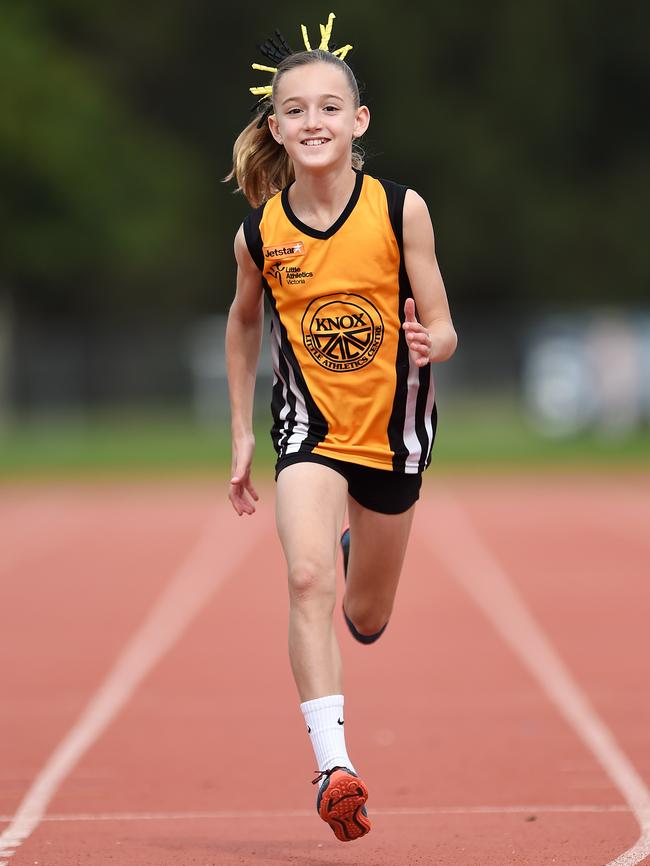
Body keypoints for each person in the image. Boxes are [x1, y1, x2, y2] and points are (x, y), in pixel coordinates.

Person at [225, 12, 457, 843]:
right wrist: (245, 433)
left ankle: (364, 560)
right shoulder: (263, 231)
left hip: (394, 439)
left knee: (364, 615)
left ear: (358, 122)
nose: (313, 122)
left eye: (330, 107)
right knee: (304, 581)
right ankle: (335, 766)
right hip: (308, 435)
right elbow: (243, 324)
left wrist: (437, 341)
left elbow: (443, 321)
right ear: (276, 127)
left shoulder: (400, 209)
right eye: (296, 109)